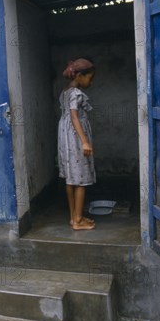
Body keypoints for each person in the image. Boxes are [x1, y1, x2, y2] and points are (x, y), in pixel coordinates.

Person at [58, 58, 97, 230]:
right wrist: (85, 142)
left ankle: (74, 217)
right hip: (75, 137)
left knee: (71, 178)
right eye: (90, 77)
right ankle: (79, 221)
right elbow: (74, 117)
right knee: (80, 178)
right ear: (80, 76)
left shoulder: (66, 91)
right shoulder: (76, 93)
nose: (91, 81)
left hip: (65, 136)